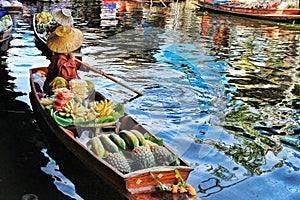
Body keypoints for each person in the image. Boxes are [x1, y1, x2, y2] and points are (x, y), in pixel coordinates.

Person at [43, 25, 83, 94]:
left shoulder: (68, 55)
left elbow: (77, 67)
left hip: (68, 84)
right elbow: (64, 75)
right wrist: (71, 60)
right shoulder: (59, 57)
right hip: (55, 87)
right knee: (60, 81)